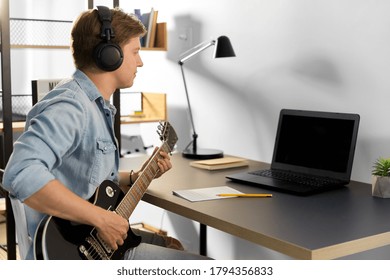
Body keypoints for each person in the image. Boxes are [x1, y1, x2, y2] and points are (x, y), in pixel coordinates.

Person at [2, 6, 209, 260]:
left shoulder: (95, 104)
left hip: (88, 238)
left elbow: (83, 174)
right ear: (110, 56)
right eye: (135, 52)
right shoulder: (71, 106)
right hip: (74, 250)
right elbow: (21, 173)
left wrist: (136, 176)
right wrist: (101, 218)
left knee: (172, 244)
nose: (140, 62)